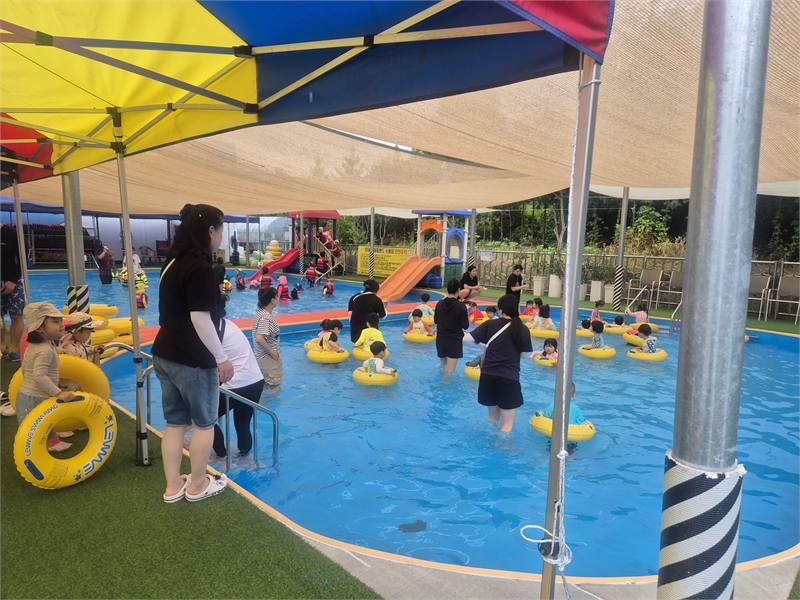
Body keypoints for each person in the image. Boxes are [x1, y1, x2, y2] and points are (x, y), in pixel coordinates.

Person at [152, 203, 231, 504]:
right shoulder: (200, 268)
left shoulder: (171, 263)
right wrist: (221, 358)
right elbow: (200, 319)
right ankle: (198, 485)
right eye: (221, 230)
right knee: (204, 424)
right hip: (192, 360)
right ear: (211, 230)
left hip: (164, 353)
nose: (221, 236)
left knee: (174, 423)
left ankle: (173, 486)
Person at [465, 294, 532, 432]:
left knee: (493, 418)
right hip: (508, 378)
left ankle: (490, 442)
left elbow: (466, 339)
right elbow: (524, 355)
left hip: (487, 377)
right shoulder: (523, 329)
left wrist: (483, 347)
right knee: (507, 425)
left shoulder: (490, 324)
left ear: (500, 310)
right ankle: (503, 444)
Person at [17, 303, 76, 452]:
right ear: (39, 328)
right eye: (55, 322)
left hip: (30, 396)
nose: (61, 325)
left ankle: (48, 446)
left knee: (40, 429)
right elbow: (39, 376)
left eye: (60, 321)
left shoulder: (41, 344)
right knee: (34, 434)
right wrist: (59, 393)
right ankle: (35, 459)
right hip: (35, 398)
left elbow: (26, 367)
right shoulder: (44, 350)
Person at [212, 304, 265, 460]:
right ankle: (244, 455)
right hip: (256, 381)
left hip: (236, 385)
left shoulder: (211, 330)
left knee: (206, 419)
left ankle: (222, 455)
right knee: (242, 423)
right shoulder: (229, 324)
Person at [434, 279, 470, 376]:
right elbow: (465, 326)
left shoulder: (439, 303)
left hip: (440, 339)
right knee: (449, 370)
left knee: (442, 365)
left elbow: (436, 321)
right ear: (458, 290)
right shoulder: (461, 306)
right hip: (454, 340)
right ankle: (443, 384)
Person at [0, 223, 26, 362]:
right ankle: (1, 346)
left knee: (16, 316)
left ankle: (13, 349)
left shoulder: (11, 233)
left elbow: (23, 259)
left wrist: (13, 281)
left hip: (13, 281)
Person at [252, 287, 282, 395]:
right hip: (267, 359)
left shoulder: (261, 313)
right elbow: (259, 338)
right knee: (275, 388)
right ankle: (263, 404)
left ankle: (258, 403)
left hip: (260, 357)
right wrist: (272, 352)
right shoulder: (266, 317)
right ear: (272, 300)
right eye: (277, 296)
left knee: (264, 386)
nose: (278, 298)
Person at [348, 279, 386, 344]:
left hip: (356, 330)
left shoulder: (354, 297)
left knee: (357, 345)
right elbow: (383, 316)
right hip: (370, 332)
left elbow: (350, 315)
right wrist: (384, 308)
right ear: (375, 290)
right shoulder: (377, 300)